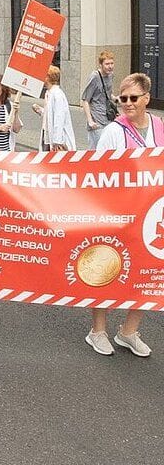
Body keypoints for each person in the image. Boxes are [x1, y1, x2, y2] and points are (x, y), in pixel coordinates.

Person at [86, 73, 156, 358]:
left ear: (146, 99)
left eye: (133, 98)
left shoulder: (159, 127)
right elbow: (98, 173)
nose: (126, 103)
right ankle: (97, 331)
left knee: (149, 274)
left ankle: (128, 331)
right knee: (105, 270)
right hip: (116, 214)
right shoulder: (114, 132)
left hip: (149, 215)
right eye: (122, 98)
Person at [81, 51, 117, 149]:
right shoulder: (95, 77)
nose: (110, 66)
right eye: (107, 64)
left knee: (108, 149)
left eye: (112, 63)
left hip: (108, 118)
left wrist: (116, 99)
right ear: (100, 65)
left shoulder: (110, 75)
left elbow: (108, 94)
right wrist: (90, 121)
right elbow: (85, 100)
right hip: (97, 121)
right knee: (96, 150)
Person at [35, 66, 75, 151]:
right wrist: (41, 111)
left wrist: (57, 140)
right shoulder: (49, 93)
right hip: (47, 134)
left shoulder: (57, 94)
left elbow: (59, 117)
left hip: (55, 138)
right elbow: (50, 114)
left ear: (48, 77)